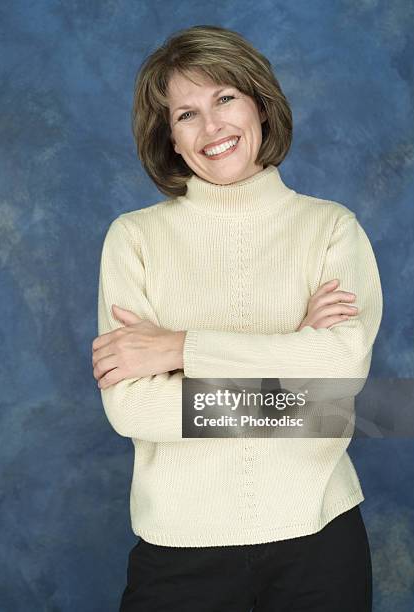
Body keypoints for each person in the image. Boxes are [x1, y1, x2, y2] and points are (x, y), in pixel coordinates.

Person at [91, 25, 382, 611]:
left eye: (225, 98)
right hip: (178, 546)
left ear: (260, 106)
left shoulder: (331, 228)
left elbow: (342, 377)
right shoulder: (134, 239)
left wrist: (180, 350)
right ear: (170, 139)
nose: (212, 128)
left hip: (320, 536)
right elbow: (133, 408)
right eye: (185, 114)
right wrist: (295, 366)